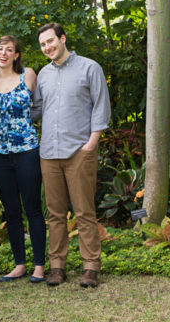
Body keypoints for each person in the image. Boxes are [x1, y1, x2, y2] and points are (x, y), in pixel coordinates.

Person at [32, 23, 111, 288]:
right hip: (49, 152)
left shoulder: (90, 68)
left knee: (84, 211)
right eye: (43, 44)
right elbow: (36, 110)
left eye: (51, 41)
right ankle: (57, 267)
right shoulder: (42, 74)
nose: (47, 47)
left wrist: (92, 143)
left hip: (80, 151)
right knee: (54, 214)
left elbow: (101, 106)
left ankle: (90, 267)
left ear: (63, 39)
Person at [0, 36, 46, 283]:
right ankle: (19, 264)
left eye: (9, 49)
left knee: (32, 208)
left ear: (16, 55)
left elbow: (40, 106)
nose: (3, 53)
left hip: (27, 150)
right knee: (11, 211)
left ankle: (40, 266)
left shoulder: (29, 75)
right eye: (0, 48)